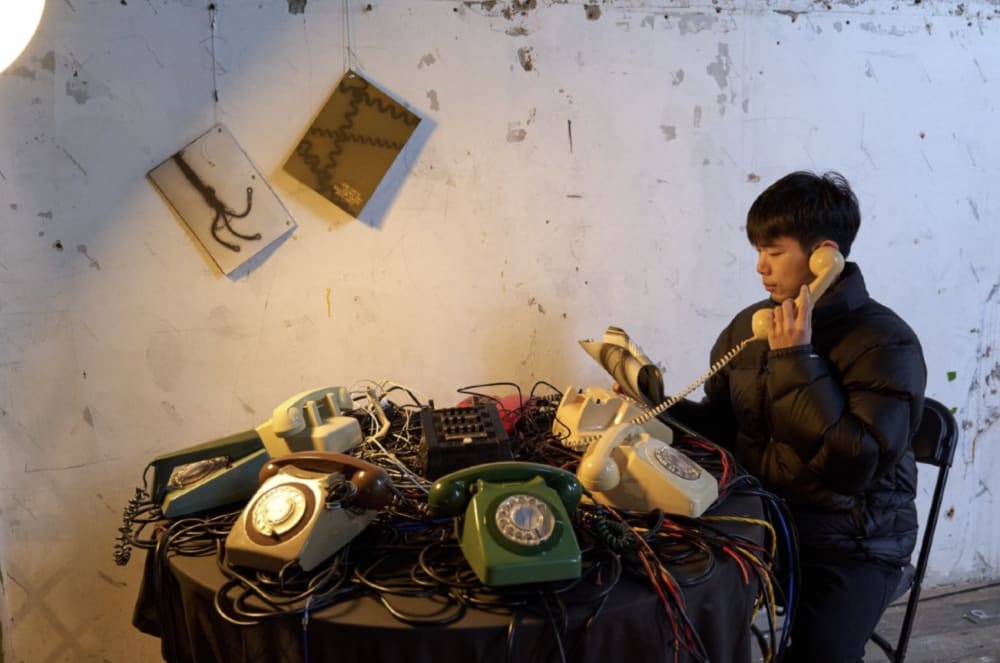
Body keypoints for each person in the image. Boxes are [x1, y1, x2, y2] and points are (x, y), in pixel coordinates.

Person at [669, 170, 926, 662]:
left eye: (774, 250)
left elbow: (852, 466)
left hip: (854, 544)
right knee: (669, 607)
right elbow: (724, 431)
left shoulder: (886, 343)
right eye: (757, 251)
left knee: (820, 655)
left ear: (823, 255)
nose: (760, 268)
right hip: (764, 525)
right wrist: (654, 407)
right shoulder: (751, 327)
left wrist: (796, 360)